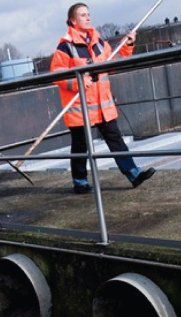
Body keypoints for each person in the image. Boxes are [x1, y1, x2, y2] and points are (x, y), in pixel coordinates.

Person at [50, 2, 155, 194]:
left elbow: (113, 62)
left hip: (101, 104)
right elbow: (56, 74)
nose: (88, 17)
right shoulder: (65, 46)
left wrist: (127, 45)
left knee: (115, 139)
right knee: (81, 145)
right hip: (80, 106)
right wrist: (78, 82)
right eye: (83, 15)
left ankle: (134, 174)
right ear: (73, 21)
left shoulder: (98, 42)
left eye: (88, 14)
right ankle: (80, 181)